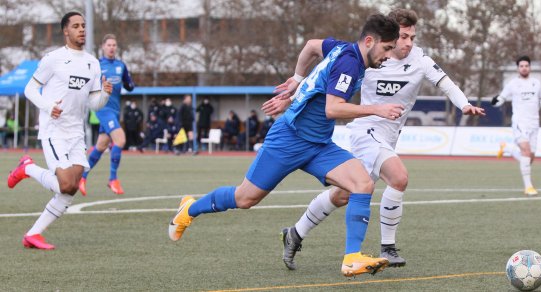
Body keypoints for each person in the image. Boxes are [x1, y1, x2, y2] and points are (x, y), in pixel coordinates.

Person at [168, 13, 403, 277]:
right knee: (245, 198)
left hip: (318, 145)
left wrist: (296, 78)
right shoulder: (349, 63)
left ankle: (352, 258)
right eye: (387, 48)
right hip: (289, 138)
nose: (388, 56)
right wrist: (377, 110)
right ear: (370, 41)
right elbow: (332, 108)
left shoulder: (341, 48)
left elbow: (312, 45)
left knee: (362, 184)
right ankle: (189, 209)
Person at [265, 8, 487, 271]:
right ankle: (388, 248)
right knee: (399, 177)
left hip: (389, 137)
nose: (407, 43)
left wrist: (464, 105)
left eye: (412, 37)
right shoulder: (367, 59)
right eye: (403, 36)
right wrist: (293, 94)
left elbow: (446, 83)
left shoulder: (420, 60)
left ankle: (295, 233)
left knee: (343, 194)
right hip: (365, 131)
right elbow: (323, 75)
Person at [7, 11, 112, 250]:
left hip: (77, 133)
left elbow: (93, 103)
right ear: (66, 31)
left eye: (83, 25)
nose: (81, 29)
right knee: (66, 184)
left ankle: (33, 234)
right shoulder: (53, 59)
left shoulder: (92, 63)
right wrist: (48, 106)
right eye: (76, 26)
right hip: (54, 130)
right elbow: (30, 90)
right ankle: (28, 168)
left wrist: (105, 93)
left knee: (71, 189)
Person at [493, 55, 541, 196]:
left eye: (526, 65)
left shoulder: (536, 83)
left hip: (534, 124)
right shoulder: (512, 84)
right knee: (526, 152)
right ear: (518, 68)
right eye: (521, 66)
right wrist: (495, 101)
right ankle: (528, 187)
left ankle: (507, 148)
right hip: (520, 123)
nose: (524, 68)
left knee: (529, 157)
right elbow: (501, 98)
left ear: (530, 67)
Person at [79, 33, 135, 196]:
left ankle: (82, 177)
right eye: (109, 45)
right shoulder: (96, 65)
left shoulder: (121, 65)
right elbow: (87, 86)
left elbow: (129, 85)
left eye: (114, 45)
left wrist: (130, 83)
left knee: (101, 145)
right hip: (103, 109)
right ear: (103, 47)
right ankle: (112, 179)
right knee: (120, 139)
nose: (111, 48)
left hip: (115, 111)